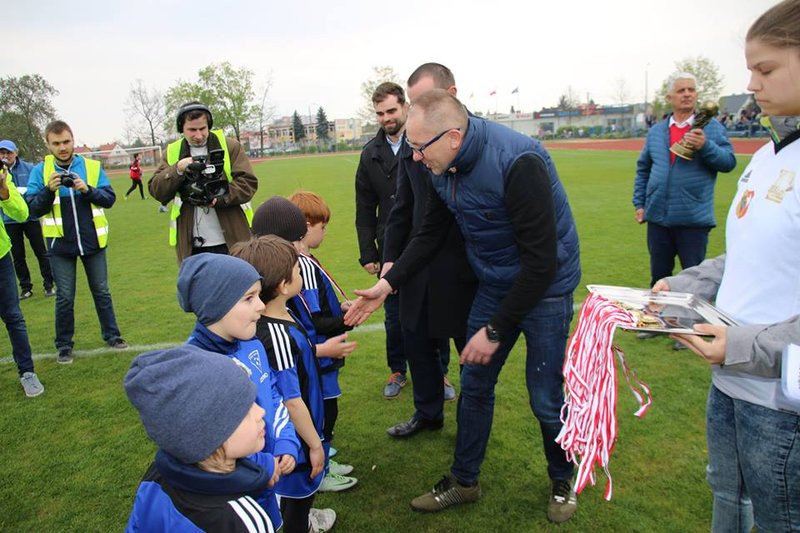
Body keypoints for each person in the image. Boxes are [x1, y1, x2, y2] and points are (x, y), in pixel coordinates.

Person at [345, 90, 581, 523]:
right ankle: (463, 480)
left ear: (453, 137)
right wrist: (387, 284)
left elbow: (541, 262)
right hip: (494, 281)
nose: (413, 158)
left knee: (545, 397)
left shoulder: (520, 162)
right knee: (474, 385)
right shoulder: (442, 164)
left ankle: (563, 477)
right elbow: (430, 232)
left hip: (545, 289)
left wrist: (496, 328)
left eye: (419, 148)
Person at [662, 2, 800, 529]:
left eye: (765, 69)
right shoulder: (767, 156)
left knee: (779, 519)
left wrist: (741, 346)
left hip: (781, 403)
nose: (751, 83)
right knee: (727, 495)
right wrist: (683, 283)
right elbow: (746, 255)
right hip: (729, 382)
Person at [381, 63, 477, 438]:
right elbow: (401, 208)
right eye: (412, 102)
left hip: (464, 268)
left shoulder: (474, 141)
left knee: (470, 350)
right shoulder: (411, 144)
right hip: (419, 262)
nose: (414, 109)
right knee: (416, 339)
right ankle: (427, 412)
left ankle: (472, 421)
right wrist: (391, 259)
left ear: (449, 95)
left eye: (422, 100)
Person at [176, 252, 300, 530]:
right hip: (234, 495)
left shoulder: (252, 345)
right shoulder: (197, 367)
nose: (260, 306)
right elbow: (210, 449)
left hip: (268, 481)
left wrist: (285, 441)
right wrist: (263, 466)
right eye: (249, 298)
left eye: (258, 295)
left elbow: (273, 395)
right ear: (216, 305)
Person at [251, 196, 359, 494]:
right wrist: (338, 331)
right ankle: (316, 468)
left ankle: (318, 459)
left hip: (311, 364)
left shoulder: (276, 305)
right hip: (313, 369)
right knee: (313, 413)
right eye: (297, 241)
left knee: (315, 412)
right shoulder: (273, 318)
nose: (301, 250)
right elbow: (291, 396)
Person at [232, 235, 337, 533]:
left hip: (294, 436)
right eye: (297, 270)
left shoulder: (280, 316)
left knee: (289, 499)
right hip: (296, 441)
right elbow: (291, 400)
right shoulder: (276, 334)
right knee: (296, 503)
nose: (301, 272)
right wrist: (315, 446)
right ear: (282, 285)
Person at [124, 345, 279, 532]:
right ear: (208, 434)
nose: (261, 412)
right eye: (244, 410)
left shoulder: (156, 476)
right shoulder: (239, 522)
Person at [632, 72, 736, 348]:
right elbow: (644, 168)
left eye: (691, 90)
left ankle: (689, 328)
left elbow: (728, 162)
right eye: (681, 90)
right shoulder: (657, 131)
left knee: (694, 275)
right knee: (660, 274)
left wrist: (706, 147)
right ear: (670, 97)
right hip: (658, 216)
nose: (687, 94)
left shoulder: (710, 128)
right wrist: (640, 203)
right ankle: (658, 322)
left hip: (693, 216)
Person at [25, 120, 127, 364]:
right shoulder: (40, 171)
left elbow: (109, 199)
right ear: (48, 144)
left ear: (73, 140)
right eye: (56, 143)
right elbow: (32, 208)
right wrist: (48, 190)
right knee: (65, 297)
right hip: (60, 246)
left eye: (66, 142)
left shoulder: (91, 166)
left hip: (93, 243)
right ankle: (64, 346)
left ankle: (113, 336)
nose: (62, 147)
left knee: (102, 291)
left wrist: (87, 189)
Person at [354, 82, 411, 398]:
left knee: (431, 310)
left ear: (404, 106)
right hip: (389, 245)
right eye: (380, 113)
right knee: (393, 315)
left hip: (421, 241)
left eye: (391, 110)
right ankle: (397, 370)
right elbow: (364, 208)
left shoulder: (421, 141)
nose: (387, 118)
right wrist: (368, 253)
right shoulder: (370, 154)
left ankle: (440, 373)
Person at [149, 102, 257, 262]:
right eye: (192, 130)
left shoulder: (230, 146)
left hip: (233, 240)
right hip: (192, 244)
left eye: (202, 129)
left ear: (209, 126)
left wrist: (219, 195)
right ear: (181, 129)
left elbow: (248, 183)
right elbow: (157, 190)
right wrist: (178, 169)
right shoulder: (172, 152)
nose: (198, 136)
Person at [0, 162, 44, 397]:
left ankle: (27, 372)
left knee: (13, 317)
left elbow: (22, 213)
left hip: (0, 257)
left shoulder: (2, 176)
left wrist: (5, 194)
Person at [0, 139, 55, 299]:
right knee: (18, 256)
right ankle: (25, 287)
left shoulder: (29, 168)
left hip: (30, 218)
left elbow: (38, 190)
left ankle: (49, 284)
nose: (5, 156)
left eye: (8, 152)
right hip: (9, 221)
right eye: (2, 153)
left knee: (41, 252)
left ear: (15, 153)